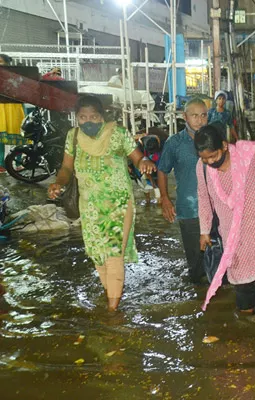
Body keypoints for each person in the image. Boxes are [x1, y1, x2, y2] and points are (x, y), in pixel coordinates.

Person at [47, 95, 156, 311]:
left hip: (118, 204)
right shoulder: (73, 136)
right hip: (89, 206)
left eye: (94, 117)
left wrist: (144, 162)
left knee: (114, 254)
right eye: (83, 117)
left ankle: (112, 309)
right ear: (76, 118)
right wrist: (58, 183)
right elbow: (67, 168)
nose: (88, 121)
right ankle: (111, 295)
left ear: (102, 116)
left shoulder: (118, 134)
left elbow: (137, 157)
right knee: (98, 253)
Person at [195, 122, 255, 322]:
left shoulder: (248, 153)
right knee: (243, 296)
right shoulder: (202, 168)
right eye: (205, 159)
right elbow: (204, 198)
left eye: (213, 156)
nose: (210, 162)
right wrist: (204, 231)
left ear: (224, 146)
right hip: (234, 236)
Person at [158, 98, 210, 284]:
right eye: (194, 115)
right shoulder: (175, 143)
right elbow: (162, 170)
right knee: (196, 258)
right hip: (189, 209)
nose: (199, 120)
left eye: (203, 115)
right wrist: (165, 198)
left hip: (215, 207)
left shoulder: (214, 139)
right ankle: (200, 297)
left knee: (219, 254)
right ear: (184, 117)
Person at [0, 54, 26, 174]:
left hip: (15, 107)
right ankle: (0, 165)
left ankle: (18, 163)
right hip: (1, 108)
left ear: (7, 64)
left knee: (19, 135)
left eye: (1, 62)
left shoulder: (15, 75)